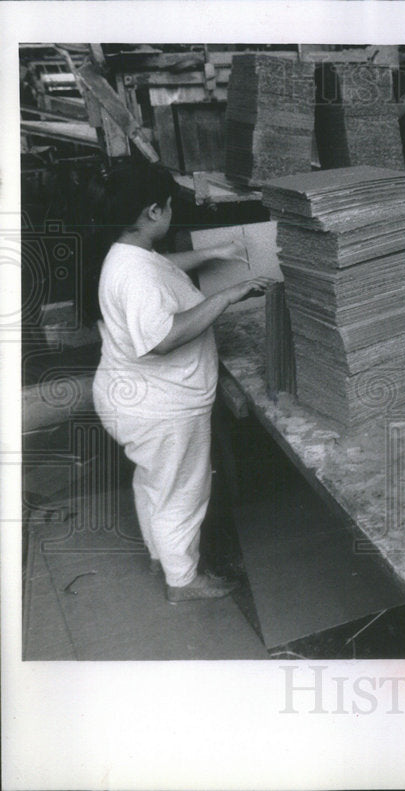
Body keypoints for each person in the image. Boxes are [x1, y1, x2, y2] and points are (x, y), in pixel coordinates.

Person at [91, 160, 273, 603]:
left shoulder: (128, 253)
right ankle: (183, 581)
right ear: (154, 212)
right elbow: (163, 338)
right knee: (184, 493)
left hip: (133, 398)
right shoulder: (135, 276)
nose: (171, 215)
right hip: (162, 408)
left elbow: (164, 265)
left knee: (156, 483)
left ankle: (162, 555)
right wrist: (227, 296)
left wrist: (215, 254)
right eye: (169, 207)